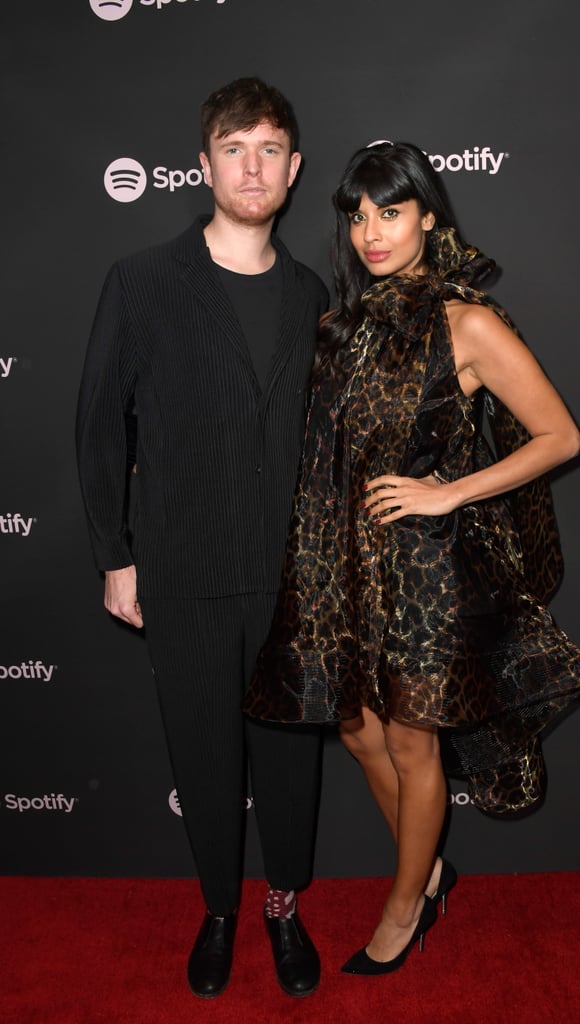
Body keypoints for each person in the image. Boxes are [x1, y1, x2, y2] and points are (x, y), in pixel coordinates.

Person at [243, 141, 580, 976]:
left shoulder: (465, 320)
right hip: (343, 570)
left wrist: (450, 491)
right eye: (358, 216)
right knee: (361, 730)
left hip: (424, 574)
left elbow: (561, 437)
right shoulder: (342, 325)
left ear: (429, 216)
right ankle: (430, 868)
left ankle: (406, 904)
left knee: (411, 745)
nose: (372, 232)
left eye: (391, 212)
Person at [76, 77, 328, 999]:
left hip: (290, 578)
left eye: (270, 149)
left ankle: (285, 908)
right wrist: (114, 552)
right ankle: (221, 907)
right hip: (180, 570)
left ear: (294, 170)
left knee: (292, 761)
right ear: (204, 165)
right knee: (203, 754)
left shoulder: (312, 293)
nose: (252, 165)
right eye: (235, 148)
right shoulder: (142, 282)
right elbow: (100, 423)